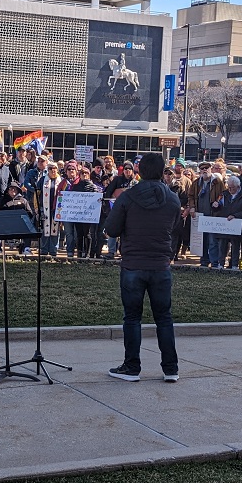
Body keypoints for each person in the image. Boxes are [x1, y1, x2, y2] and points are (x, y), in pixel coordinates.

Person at [104, 153, 181, 383]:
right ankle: (171, 368)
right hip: (160, 264)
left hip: (133, 264)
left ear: (140, 171)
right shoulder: (173, 199)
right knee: (164, 318)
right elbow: (174, 227)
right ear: (162, 171)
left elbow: (112, 229)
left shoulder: (128, 197)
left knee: (132, 318)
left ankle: (132, 367)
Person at [187, 161, 225, 267]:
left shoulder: (217, 182)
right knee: (201, 241)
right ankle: (204, 261)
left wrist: (218, 201)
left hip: (213, 216)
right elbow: (190, 196)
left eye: (206, 168)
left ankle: (214, 262)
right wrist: (192, 207)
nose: (204, 170)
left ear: (210, 169)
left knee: (213, 241)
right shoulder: (196, 183)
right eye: (202, 168)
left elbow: (223, 194)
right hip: (200, 216)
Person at [103, 160, 138, 258]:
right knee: (113, 231)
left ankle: (124, 252)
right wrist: (108, 208)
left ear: (132, 170)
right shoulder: (117, 180)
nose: (127, 171)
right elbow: (108, 193)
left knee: (127, 233)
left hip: (130, 212)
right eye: (126, 168)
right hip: (116, 210)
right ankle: (111, 252)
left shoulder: (135, 183)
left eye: (130, 169)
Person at [214, 175, 242, 269]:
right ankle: (220, 264)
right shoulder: (223, 194)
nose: (230, 189)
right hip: (224, 223)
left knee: (235, 246)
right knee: (222, 245)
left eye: (232, 188)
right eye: (228, 187)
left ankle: (234, 264)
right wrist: (215, 205)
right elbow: (218, 206)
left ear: (238, 187)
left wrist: (235, 216)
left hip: (236, 224)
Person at [35, 161, 62, 256]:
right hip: (44, 208)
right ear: (48, 170)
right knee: (44, 229)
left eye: (54, 168)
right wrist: (36, 207)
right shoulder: (42, 180)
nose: (53, 170)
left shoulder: (61, 181)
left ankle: (54, 250)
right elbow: (37, 194)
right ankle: (44, 249)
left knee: (55, 230)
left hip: (57, 209)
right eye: (50, 168)